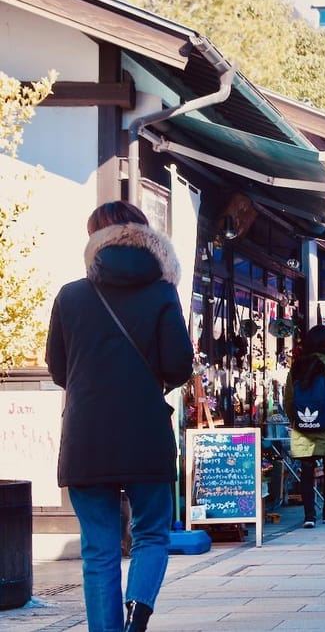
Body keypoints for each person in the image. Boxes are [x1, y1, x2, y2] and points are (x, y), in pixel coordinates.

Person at [45, 200, 194, 632]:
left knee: (99, 548)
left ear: (94, 240)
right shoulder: (163, 291)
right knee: (151, 533)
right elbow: (178, 365)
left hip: (86, 435)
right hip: (145, 430)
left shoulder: (70, 295)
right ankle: (139, 608)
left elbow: (58, 367)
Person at [283, 324, 325, 528]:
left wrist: (296, 420)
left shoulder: (296, 369)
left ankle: (308, 516)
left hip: (303, 428)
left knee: (307, 470)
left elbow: (289, 400)